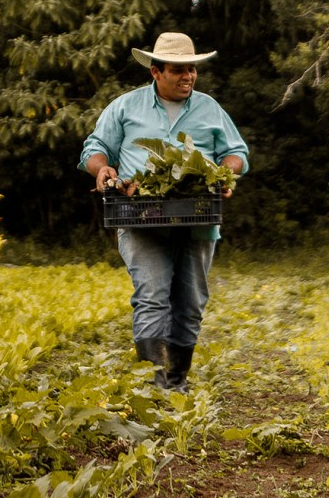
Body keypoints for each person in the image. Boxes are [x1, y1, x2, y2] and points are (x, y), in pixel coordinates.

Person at [79, 31, 249, 391]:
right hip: (140, 218)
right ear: (155, 72)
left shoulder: (210, 109)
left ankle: (177, 379)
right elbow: (94, 148)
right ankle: (155, 386)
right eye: (178, 70)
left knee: (190, 304)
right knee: (152, 297)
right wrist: (102, 169)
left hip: (198, 218)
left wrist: (225, 172)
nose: (187, 77)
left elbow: (237, 153)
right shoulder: (125, 107)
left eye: (192, 70)